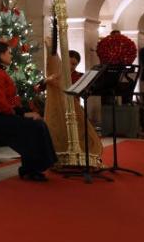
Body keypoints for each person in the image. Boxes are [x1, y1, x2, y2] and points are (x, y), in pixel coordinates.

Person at [0, 40, 57, 181]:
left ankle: (34, 166)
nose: (11, 56)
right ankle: (31, 168)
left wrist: (24, 110)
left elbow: (9, 101)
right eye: (9, 53)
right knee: (34, 125)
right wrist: (23, 113)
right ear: (0, 55)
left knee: (36, 123)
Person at [43, 40, 102, 168]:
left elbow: (81, 93)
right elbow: (38, 87)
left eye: (75, 64)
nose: (72, 67)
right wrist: (47, 80)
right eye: (70, 63)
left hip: (73, 108)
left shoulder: (79, 77)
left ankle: (80, 152)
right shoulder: (55, 74)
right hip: (57, 108)